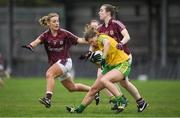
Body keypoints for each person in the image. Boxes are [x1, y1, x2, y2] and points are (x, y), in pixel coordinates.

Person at [21, 13, 99, 108]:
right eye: (54, 21)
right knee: (72, 88)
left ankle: (48, 99)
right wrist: (30, 46)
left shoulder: (64, 33)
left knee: (49, 74)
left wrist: (94, 40)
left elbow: (79, 40)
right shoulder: (45, 35)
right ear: (48, 23)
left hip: (65, 61)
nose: (57, 23)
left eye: (58, 21)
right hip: (58, 65)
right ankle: (94, 91)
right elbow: (36, 42)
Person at [97, 4, 149, 112]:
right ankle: (138, 102)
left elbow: (127, 36)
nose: (99, 12)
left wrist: (121, 43)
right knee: (120, 82)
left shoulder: (116, 23)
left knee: (111, 80)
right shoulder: (100, 28)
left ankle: (123, 100)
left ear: (108, 13)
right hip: (112, 60)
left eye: (101, 10)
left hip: (124, 57)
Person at [67, 27, 130, 113]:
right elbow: (98, 63)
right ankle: (79, 109)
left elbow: (107, 43)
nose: (92, 43)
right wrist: (90, 57)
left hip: (122, 64)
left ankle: (121, 100)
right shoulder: (95, 45)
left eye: (92, 41)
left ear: (96, 35)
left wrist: (103, 58)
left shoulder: (101, 38)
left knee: (104, 80)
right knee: (93, 89)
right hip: (110, 67)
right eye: (90, 43)